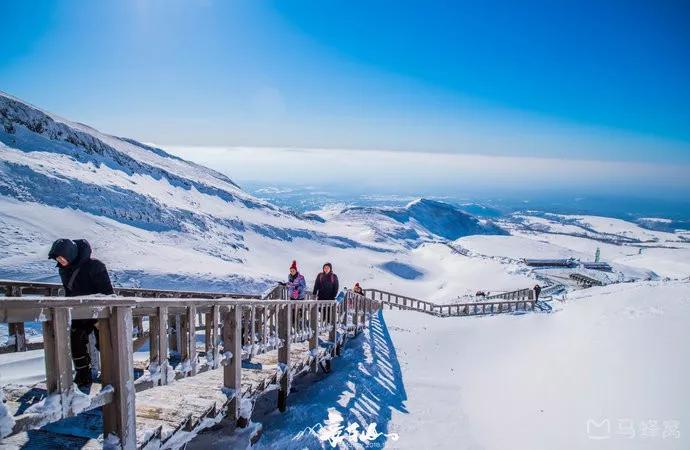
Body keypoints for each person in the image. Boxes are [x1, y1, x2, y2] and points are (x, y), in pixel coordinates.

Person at [48, 238, 114, 387]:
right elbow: (69, 293)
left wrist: (101, 317)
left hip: (99, 312)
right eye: (57, 259)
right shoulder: (64, 270)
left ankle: (111, 374)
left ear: (70, 254)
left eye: (61, 258)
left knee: (104, 342)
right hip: (79, 312)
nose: (60, 261)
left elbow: (108, 293)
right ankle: (83, 373)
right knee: (75, 340)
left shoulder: (95, 266)